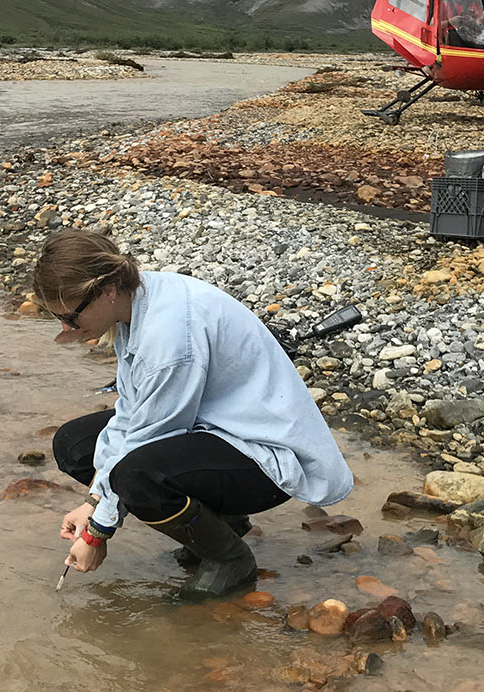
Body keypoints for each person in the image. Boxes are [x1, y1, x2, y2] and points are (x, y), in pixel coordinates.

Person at [36, 228, 354, 600]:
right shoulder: (132, 303)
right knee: (74, 444)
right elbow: (129, 415)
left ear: (106, 289)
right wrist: (91, 503)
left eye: (71, 317)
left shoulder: (168, 338)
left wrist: (96, 533)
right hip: (213, 427)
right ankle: (219, 523)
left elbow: (147, 438)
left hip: (265, 452)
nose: (66, 329)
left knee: (137, 476)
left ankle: (229, 559)